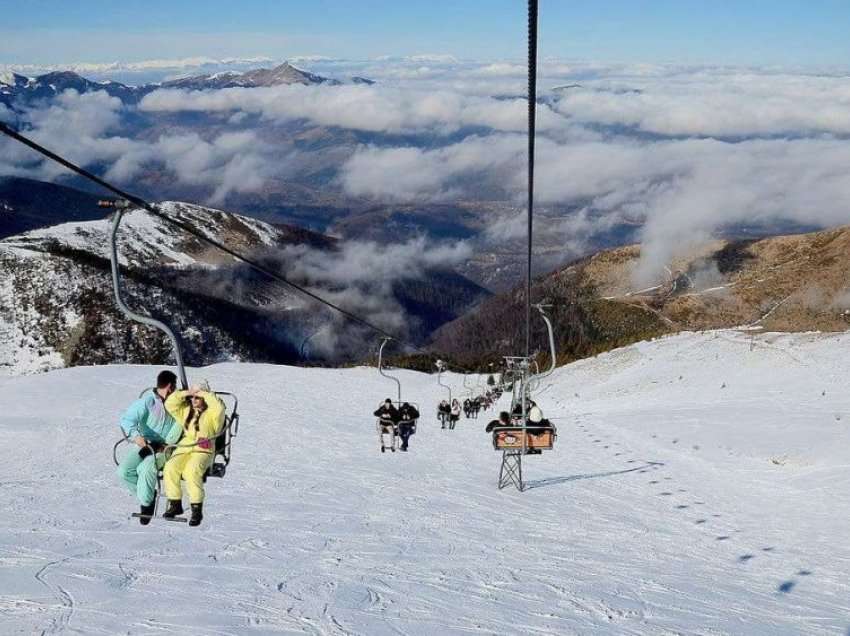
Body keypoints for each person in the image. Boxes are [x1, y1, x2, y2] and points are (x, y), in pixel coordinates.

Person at [116, 370, 181, 525]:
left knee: (146, 468)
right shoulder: (147, 402)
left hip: (165, 447)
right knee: (124, 471)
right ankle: (147, 496)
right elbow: (127, 419)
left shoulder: (177, 403)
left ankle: (146, 506)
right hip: (146, 443)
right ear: (170, 387)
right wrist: (136, 436)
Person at [162, 381, 226, 526]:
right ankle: (175, 504)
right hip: (186, 445)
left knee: (191, 471)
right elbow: (170, 404)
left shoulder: (213, 414)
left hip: (204, 447)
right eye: (193, 398)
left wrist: (202, 392)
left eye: (197, 398)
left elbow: (219, 406)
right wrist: (188, 393)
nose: (194, 400)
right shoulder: (186, 411)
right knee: (170, 467)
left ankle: (196, 509)